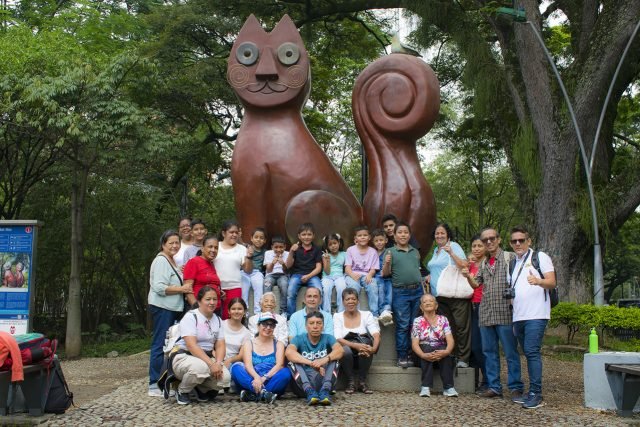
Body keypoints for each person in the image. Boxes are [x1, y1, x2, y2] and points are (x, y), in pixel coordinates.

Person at [463, 227, 523, 401]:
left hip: (505, 313)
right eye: (485, 240)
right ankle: (494, 386)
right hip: (486, 313)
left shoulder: (510, 258)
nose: (488, 242)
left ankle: (515, 387)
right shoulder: (482, 263)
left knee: (510, 352)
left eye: (492, 238)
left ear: (499, 239)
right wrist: (468, 276)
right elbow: (476, 285)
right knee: (489, 352)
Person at [508, 226, 556, 409]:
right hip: (518, 316)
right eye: (514, 241)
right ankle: (531, 392)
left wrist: (538, 281)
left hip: (537, 314)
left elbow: (552, 282)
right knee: (527, 353)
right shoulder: (513, 263)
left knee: (531, 351)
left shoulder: (539, 257)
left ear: (529, 241)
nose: (518, 243)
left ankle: (536, 393)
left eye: (521, 240)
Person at [147, 230, 193, 397]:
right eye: (171, 243)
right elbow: (159, 287)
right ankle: (153, 384)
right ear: (163, 245)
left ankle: (164, 381)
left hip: (172, 308)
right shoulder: (160, 260)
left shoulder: (171, 260)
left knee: (169, 346)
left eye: (177, 243)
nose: (175, 245)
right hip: (163, 308)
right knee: (159, 344)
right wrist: (182, 289)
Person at [171, 286, 231, 405]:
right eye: (208, 299)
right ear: (199, 301)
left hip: (207, 358)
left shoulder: (218, 320)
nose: (212, 302)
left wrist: (218, 363)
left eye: (215, 299)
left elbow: (220, 345)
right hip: (184, 356)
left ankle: (200, 388)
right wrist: (211, 364)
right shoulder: (191, 317)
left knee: (225, 378)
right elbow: (192, 346)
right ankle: (182, 390)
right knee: (200, 368)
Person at [426, 223, 471, 368]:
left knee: (461, 327)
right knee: (448, 327)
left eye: (442, 233)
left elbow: (464, 265)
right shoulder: (436, 250)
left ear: (448, 235)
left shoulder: (454, 246)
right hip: (440, 297)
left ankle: (463, 358)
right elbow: (436, 268)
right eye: (437, 234)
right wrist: (429, 276)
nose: (439, 236)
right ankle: (452, 355)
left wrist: (451, 253)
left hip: (455, 295)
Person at [381, 221, 422, 369]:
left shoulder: (415, 252)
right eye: (400, 232)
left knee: (415, 324)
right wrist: (386, 263)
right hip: (400, 292)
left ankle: (413, 354)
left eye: (406, 232)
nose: (403, 235)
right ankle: (402, 356)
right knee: (403, 325)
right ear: (395, 236)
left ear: (409, 235)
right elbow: (385, 274)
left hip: (417, 291)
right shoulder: (390, 251)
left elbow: (417, 270)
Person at [231, 312, 292, 403]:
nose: (268, 328)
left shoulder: (279, 344)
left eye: (271, 325)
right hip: (252, 378)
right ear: (258, 326)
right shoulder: (249, 343)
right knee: (236, 367)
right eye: (264, 324)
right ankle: (264, 394)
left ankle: (252, 395)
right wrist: (256, 378)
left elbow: (279, 365)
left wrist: (264, 378)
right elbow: (248, 365)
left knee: (286, 373)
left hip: (271, 378)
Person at [286, 311, 344, 405]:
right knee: (292, 362)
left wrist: (323, 360)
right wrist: (311, 363)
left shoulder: (328, 338)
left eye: (319, 323)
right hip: (303, 385)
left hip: (322, 379)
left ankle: (325, 390)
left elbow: (340, 350)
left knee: (335, 360)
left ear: (323, 326)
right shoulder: (299, 338)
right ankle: (309, 390)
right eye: (311, 323)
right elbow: (289, 352)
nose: (315, 326)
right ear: (306, 326)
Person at [333, 288, 380, 394]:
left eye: (353, 299)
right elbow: (338, 338)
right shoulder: (337, 316)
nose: (350, 301)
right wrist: (355, 345)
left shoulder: (366, 314)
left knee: (366, 345)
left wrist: (373, 349)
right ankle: (351, 382)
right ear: (343, 302)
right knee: (345, 350)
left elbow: (376, 334)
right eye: (347, 299)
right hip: (347, 346)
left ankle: (362, 382)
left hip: (363, 345)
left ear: (358, 301)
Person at [411, 294, 458, 397]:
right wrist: (423, 355)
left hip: (440, 350)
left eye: (431, 301)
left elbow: (450, 339)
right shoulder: (417, 321)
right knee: (428, 349)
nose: (427, 303)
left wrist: (447, 351)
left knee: (443, 351)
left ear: (436, 306)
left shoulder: (443, 319)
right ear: (421, 307)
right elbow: (415, 344)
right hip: (423, 352)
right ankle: (425, 387)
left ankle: (448, 387)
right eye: (424, 302)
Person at [214, 220, 252, 319]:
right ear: (223, 233)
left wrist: (249, 257)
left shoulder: (242, 249)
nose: (234, 235)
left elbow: (248, 270)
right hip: (215, 287)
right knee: (214, 316)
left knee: (231, 316)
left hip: (234, 287)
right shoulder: (215, 246)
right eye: (231, 232)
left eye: (236, 232)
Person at [285, 223, 322, 317]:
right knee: (290, 292)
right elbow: (288, 265)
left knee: (319, 290)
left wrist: (308, 276)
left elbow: (319, 268)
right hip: (297, 275)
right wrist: (291, 251)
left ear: (313, 236)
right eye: (304, 234)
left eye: (309, 234)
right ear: (299, 236)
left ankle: (318, 315)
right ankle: (291, 317)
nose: (306, 237)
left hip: (312, 275)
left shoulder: (317, 249)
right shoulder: (296, 248)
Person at [466, 234, 488, 392]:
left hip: (484, 305)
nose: (477, 248)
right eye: (474, 246)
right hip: (470, 305)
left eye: (480, 245)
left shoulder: (489, 263)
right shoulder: (470, 264)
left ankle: (487, 380)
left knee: (482, 345)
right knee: (473, 345)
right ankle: (473, 381)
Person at [344, 226, 379, 317]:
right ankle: (355, 313)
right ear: (355, 238)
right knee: (353, 286)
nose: (362, 237)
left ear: (369, 237)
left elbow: (373, 268)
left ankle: (374, 314)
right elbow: (347, 268)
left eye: (365, 235)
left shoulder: (373, 251)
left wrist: (370, 275)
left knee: (373, 285)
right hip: (352, 274)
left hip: (366, 275)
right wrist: (352, 274)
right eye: (360, 235)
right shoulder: (350, 250)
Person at [182, 235, 221, 309]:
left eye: (216, 248)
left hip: (215, 309)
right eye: (210, 247)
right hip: (200, 309)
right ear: (202, 248)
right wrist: (197, 309)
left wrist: (219, 292)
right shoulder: (194, 262)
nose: (213, 250)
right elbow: (187, 289)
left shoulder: (211, 264)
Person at [242, 228, 267, 315]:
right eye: (256, 237)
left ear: (264, 241)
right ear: (251, 238)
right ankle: (245, 313)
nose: (258, 240)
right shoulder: (247, 248)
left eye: (261, 238)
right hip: (244, 272)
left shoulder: (265, 252)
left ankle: (258, 312)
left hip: (257, 272)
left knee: (259, 287)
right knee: (244, 290)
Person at [222, 298, 252, 371]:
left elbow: (241, 355)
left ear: (244, 311)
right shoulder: (221, 324)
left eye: (239, 309)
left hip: (233, 363)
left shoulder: (246, 333)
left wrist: (229, 360)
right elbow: (213, 345)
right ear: (228, 311)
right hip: (216, 359)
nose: (236, 311)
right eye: (233, 309)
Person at [263, 235, 289, 315]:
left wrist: (283, 264)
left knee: (284, 285)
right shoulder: (268, 253)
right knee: (267, 284)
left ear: (285, 247)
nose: (278, 249)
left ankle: (283, 311)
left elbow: (286, 271)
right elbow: (268, 270)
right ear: (272, 247)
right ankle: (266, 310)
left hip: (282, 275)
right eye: (276, 247)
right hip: (270, 275)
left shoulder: (287, 254)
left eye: (281, 247)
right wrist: (273, 263)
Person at [372, 229, 393, 326]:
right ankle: (382, 310)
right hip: (377, 277)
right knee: (380, 289)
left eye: (381, 240)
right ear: (373, 242)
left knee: (389, 291)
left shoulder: (389, 252)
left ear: (386, 240)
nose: (379, 242)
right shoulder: (372, 253)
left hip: (388, 276)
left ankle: (387, 311)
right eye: (376, 241)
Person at [320, 233, 346, 313]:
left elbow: (346, 268)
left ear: (339, 243)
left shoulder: (344, 254)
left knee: (342, 287)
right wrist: (327, 260)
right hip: (327, 277)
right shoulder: (325, 255)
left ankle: (341, 312)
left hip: (340, 276)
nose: (333, 246)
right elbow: (327, 272)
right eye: (330, 244)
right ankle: (326, 312)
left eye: (335, 243)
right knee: (326, 289)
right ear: (327, 246)